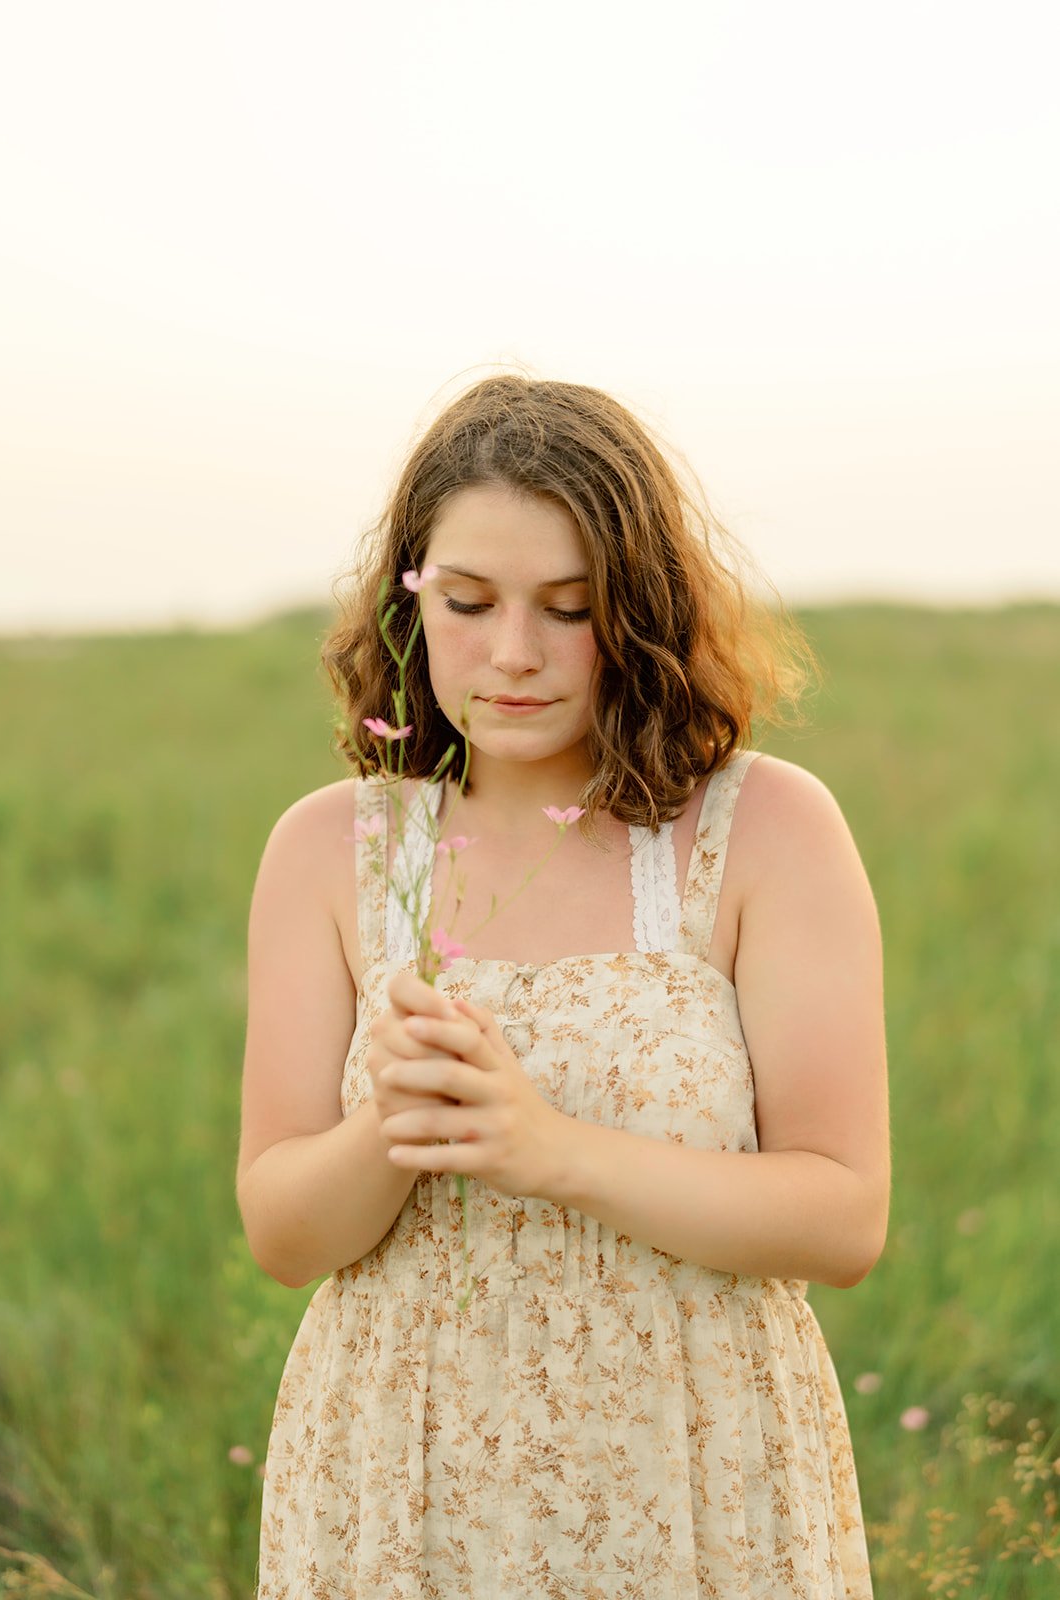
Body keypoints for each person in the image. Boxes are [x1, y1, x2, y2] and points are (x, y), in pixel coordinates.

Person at [237, 375, 889, 1599]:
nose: (514, 654)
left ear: (636, 612)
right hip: (398, 1471)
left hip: (690, 1468)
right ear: (407, 602)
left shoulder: (761, 831)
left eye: (570, 608)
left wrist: (546, 1146)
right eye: (469, 603)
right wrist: (392, 1125)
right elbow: (283, 1232)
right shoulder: (334, 849)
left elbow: (842, 1216)